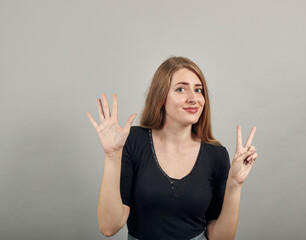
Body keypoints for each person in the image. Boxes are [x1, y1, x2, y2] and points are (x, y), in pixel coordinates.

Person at [86, 56, 258, 240]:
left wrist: (234, 185)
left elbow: (220, 237)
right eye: (181, 89)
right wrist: (112, 156)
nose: (193, 98)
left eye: (198, 90)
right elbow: (108, 227)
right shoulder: (134, 141)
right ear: (161, 97)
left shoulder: (216, 154)